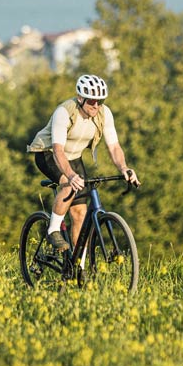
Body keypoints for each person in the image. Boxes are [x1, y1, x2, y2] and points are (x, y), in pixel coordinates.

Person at [26, 74, 141, 250]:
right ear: (80, 98)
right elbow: (57, 150)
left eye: (99, 101)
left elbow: (114, 146)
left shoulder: (104, 114)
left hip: (74, 157)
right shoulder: (64, 112)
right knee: (69, 185)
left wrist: (124, 168)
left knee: (80, 213)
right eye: (91, 101)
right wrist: (70, 176)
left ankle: (79, 267)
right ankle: (53, 230)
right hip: (48, 154)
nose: (96, 105)